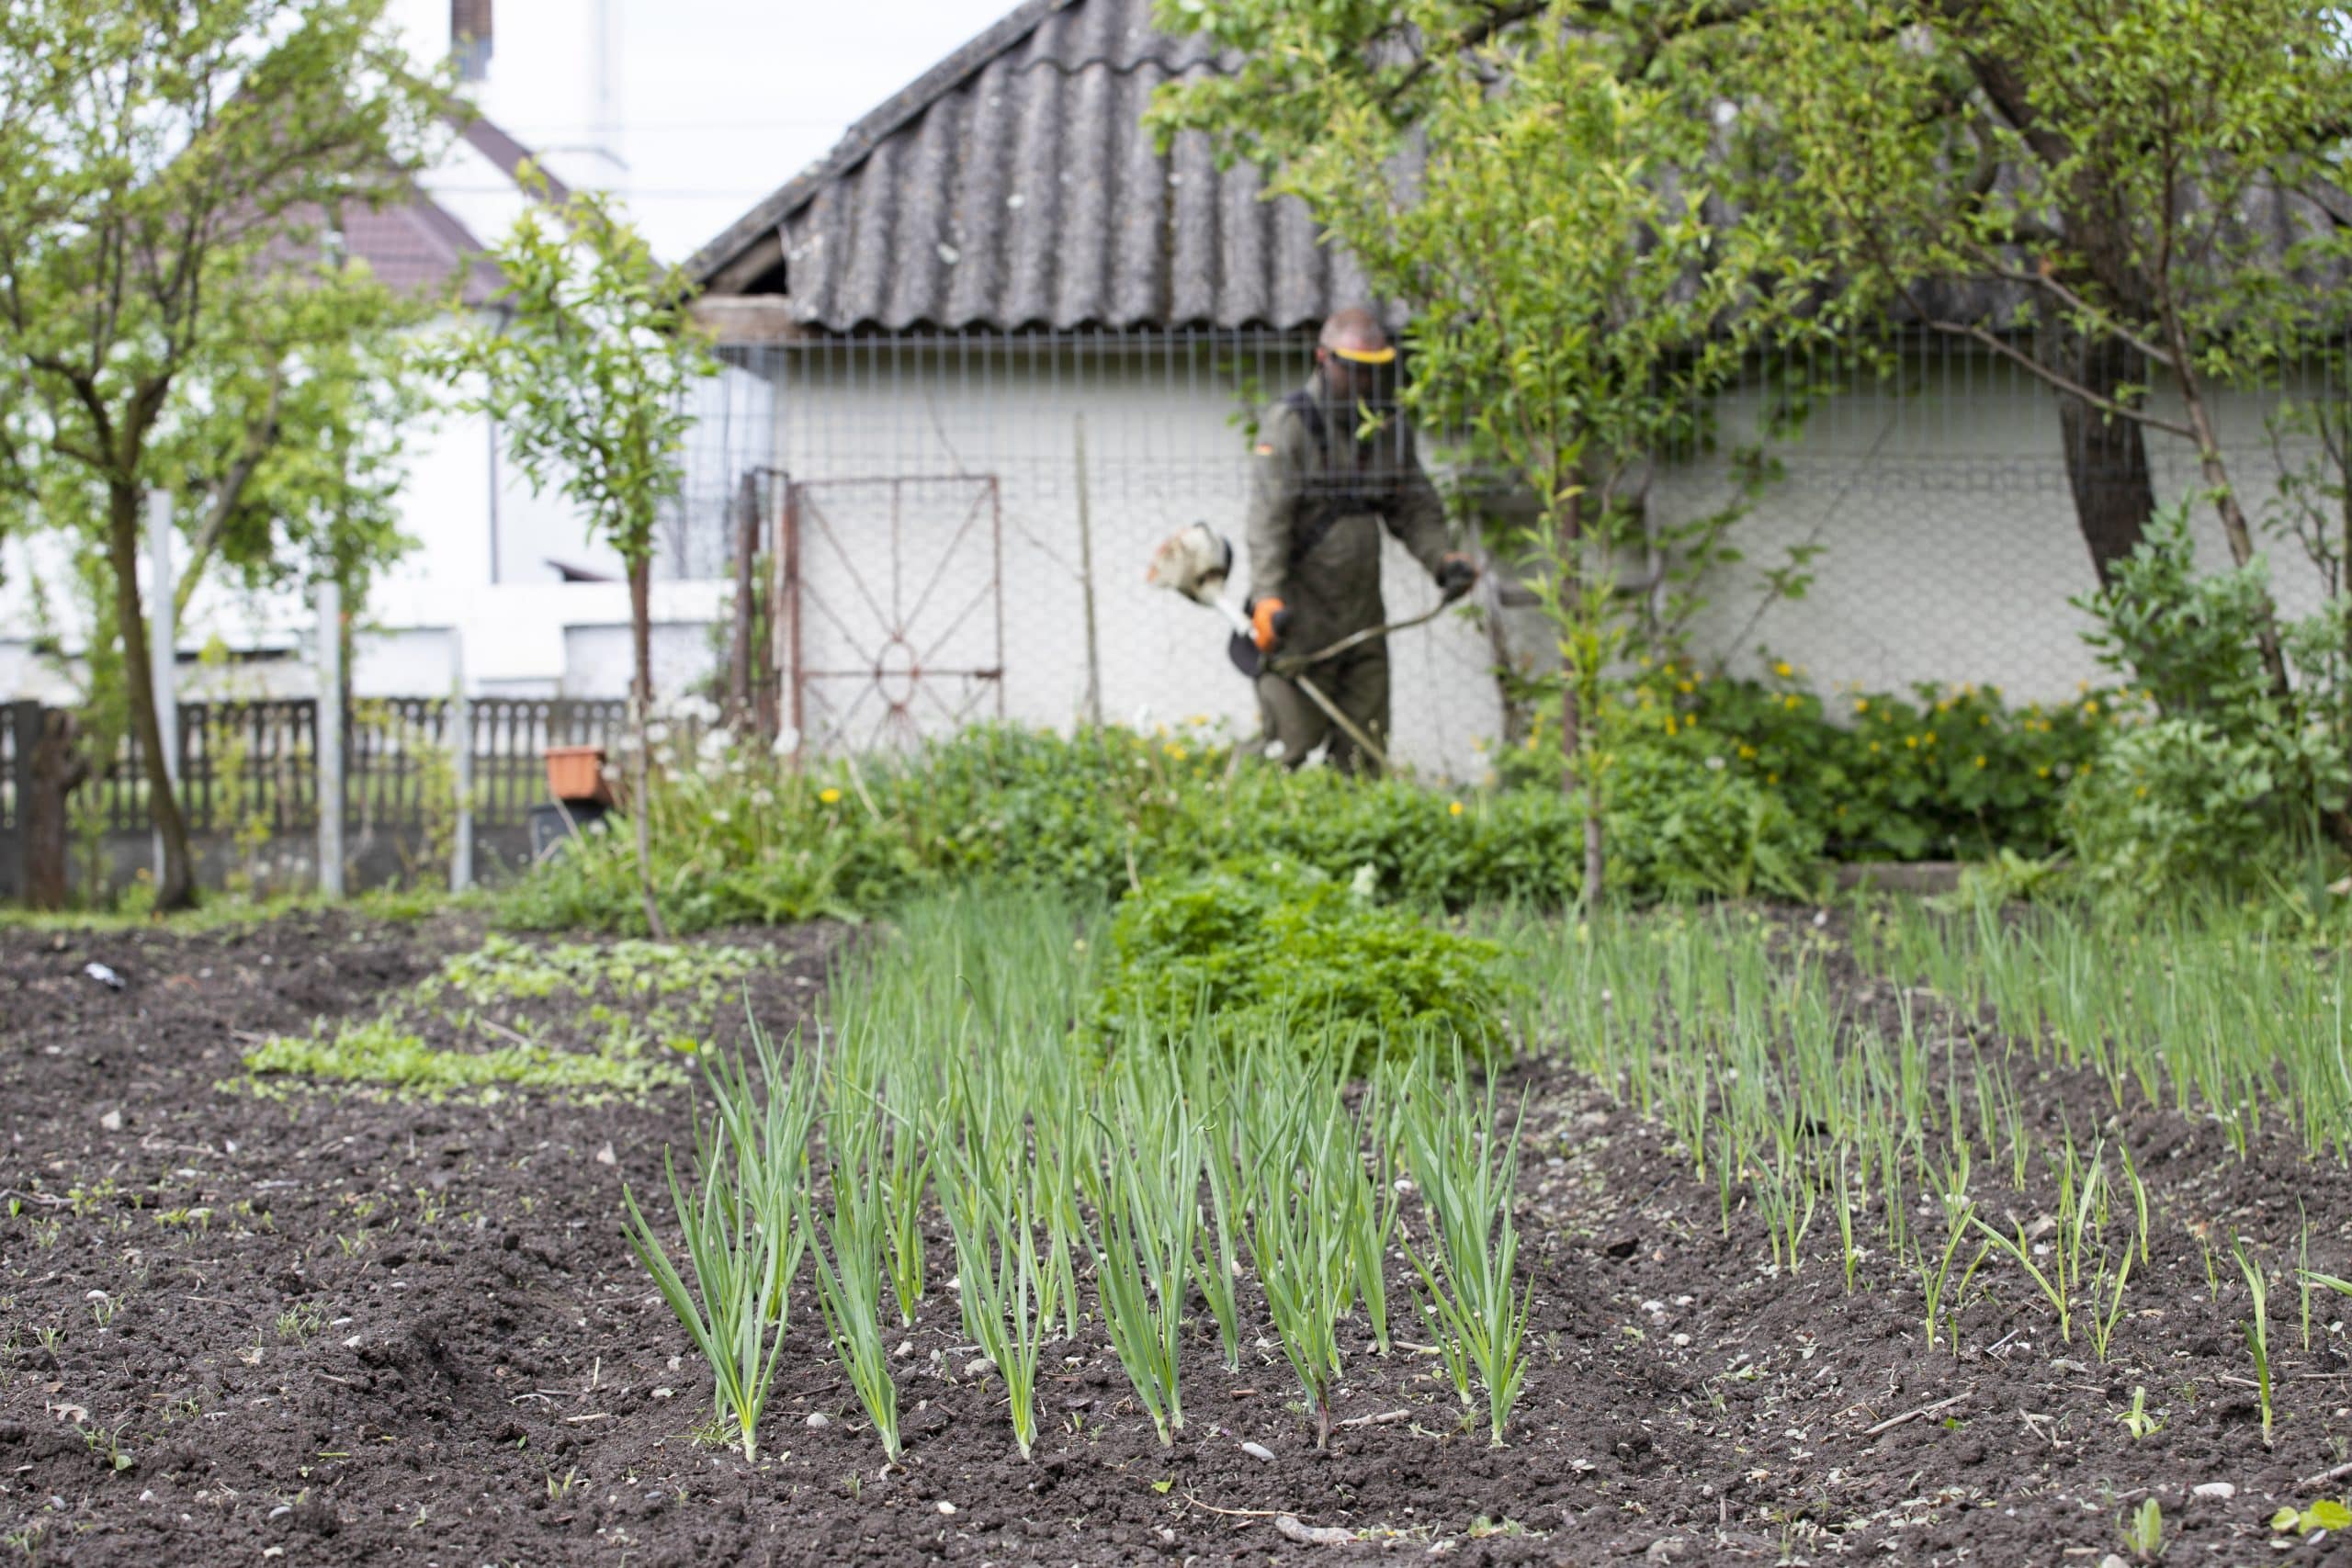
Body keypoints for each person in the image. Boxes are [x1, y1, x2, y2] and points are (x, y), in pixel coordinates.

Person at [1244, 306, 1476, 773]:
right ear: (1324, 359)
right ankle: (1233, 810)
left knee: (1365, 748)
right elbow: (1268, 521)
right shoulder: (1290, 426)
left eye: (1376, 371)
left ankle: (1354, 838)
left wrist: (1443, 558)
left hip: (1363, 617)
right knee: (1289, 744)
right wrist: (1267, 597)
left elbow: (1413, 505)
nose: (1365, 383)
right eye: (1354, 370)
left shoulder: (1386, 427)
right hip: (1299, 619)